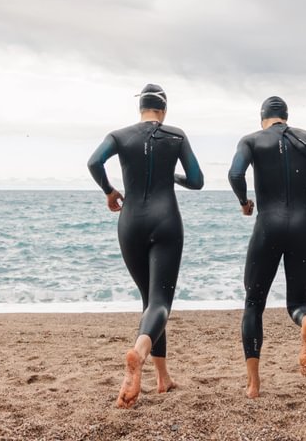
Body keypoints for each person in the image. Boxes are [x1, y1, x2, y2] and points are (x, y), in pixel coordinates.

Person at [87, 84, 204, 409]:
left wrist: (110, 191)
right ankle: (138, 353)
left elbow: (94, 162)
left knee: (148, 301)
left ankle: (163, 378)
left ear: (141, 108)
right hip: (166, 222)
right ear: (164, 111)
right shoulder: (176, 136)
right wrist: (172, 176)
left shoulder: (119, 136)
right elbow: (197, 180)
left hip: (131, 223)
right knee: (160, 302)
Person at [227, 95, 306, 398]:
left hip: (268, 225)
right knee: (299, 302)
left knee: (253, 304)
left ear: (263, 118)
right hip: (304, 225)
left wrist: (244, 202)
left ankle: (253, 383)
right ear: (286, 117)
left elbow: (236, 174)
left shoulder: (251, 140)